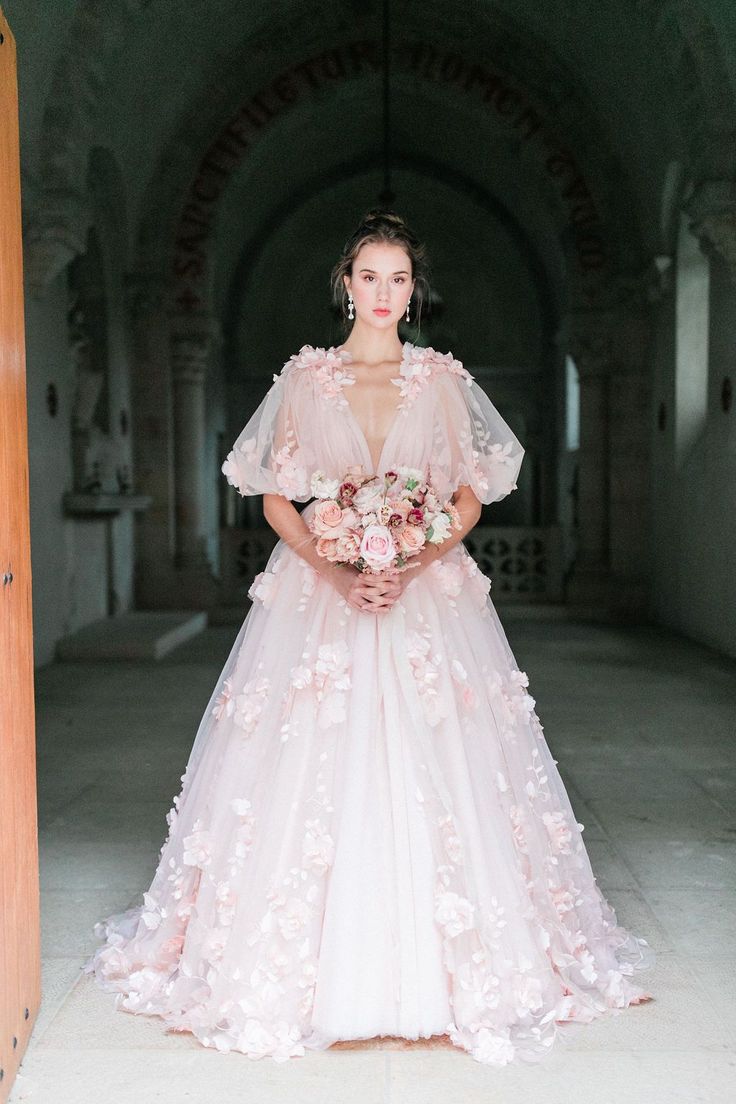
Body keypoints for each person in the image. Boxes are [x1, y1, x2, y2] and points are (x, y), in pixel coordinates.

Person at [83, 209, 655, 1067]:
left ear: (413, 288)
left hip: (428, 598)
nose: (384, 293)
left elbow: (466, 494)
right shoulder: (308, 381)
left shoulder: (443, 380)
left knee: (443, 754)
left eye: (399, 279)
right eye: (369, 277)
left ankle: (459, 961)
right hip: (321, 597)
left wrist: (413, 562)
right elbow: (279, 497)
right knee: (313, 756)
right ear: (344, 285)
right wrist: (340, 566)